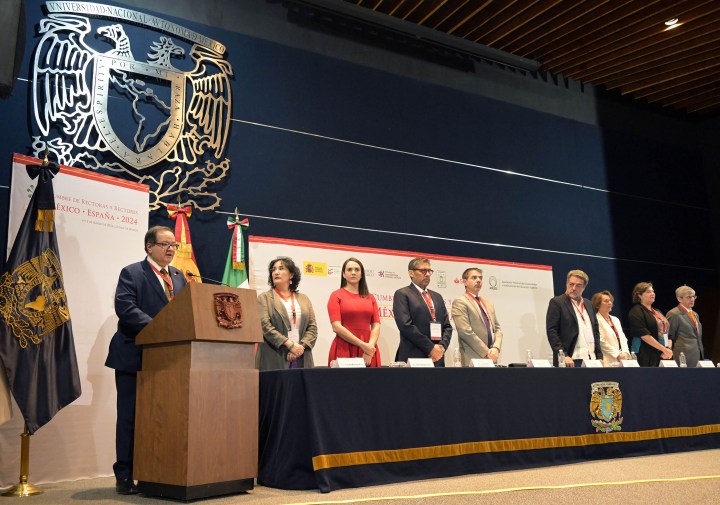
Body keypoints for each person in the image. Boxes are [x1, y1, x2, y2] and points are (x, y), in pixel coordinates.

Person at [105, 226, 187, 495]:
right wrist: (158, 328)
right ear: (149, 247)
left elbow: (184, 312)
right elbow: (126, 308)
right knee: (130, 418)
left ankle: (154, 472)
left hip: (167, 359)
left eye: (174, 245)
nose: (171, 249)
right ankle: (125, 475)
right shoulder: (132, 273)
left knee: (160, 418)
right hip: (133, 356)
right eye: (165, 244)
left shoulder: (179, 277)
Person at [256, 257, 317, 370]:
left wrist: (299, 349)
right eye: (273, 270)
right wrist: (289, 345)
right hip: (275, 356)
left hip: (301, 355)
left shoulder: (304, 299)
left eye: (281, 268)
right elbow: (265, 326)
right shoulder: (264, 298)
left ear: (291, 275)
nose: (276, 272)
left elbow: (312, 328)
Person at [393, 257, 452, 366]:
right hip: (414, 356)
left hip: (437, 357)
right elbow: (405, 326)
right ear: (411, 273)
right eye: (423, 271)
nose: (427, 274)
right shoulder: (402, 294)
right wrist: (430, 348)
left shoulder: (437, 297)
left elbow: (447, 326)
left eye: (429, 271)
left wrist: (441, 347)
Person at [327, 257, 381, 366]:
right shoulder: (336, 295)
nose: (353, 272)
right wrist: (362, 345)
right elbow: (336, 327)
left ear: (362, 274)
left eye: (357, 270)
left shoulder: (370, 297)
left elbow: (376, 325)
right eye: (349, 269)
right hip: (344, 347)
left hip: (369, 349)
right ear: (343, 274)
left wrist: (369, 348)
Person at [546, 269, 602, 367]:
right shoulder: (557, 302)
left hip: (592, 359)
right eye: (571, 284)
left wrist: (600, 356)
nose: (573, 288)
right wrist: (563, 355)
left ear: (584, 287)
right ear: (566, 284)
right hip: (571, 359)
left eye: (578, 285)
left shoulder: (589, 304)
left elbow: (596, 332)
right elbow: (552, 331)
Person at [451, 267, 503, 365]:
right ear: (465, 282)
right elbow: (465, 331)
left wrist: (496, 348)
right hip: (472, 357)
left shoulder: (488, 303)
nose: (478, 280)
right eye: (474, 278)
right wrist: (487, 352)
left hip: (492, 357)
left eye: (480, 278)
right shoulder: (460, 302)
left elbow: (497, 329)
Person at [627, 282, 672, 367]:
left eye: (653, 291)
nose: (652, 294)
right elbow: (644, 335)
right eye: (648, 292)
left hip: (663, 354)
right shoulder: (636, 311)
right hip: (645, 354)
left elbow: (667, 334)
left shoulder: (657, 311)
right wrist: (664, 349)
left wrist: (667, 349)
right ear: (639, 295)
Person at [666, 285, 704, 367]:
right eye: (688, 297)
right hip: (682, 356)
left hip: (697, 354)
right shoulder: (674, 313)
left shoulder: (695, 314)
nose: (692, 299)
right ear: (679, 299)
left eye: (694, 296)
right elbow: (669, 335)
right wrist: (667, 350)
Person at [592, 290, 630, 366]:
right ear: (598, 304)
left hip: (622, 359)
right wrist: (617, 354)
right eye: (606, 301)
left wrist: (625, 352)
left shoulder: (616, 319)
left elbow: (623, 338)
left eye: (610, 301)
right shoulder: (595, 320)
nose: (610, 303)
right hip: (607, 359)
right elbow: (600, 341)